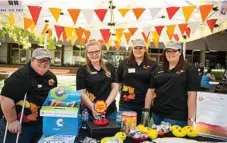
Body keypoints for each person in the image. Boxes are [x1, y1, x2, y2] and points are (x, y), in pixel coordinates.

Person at [0, 48, 57, 143]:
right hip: (20, 125)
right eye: (40, 60)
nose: (43, 63)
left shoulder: (51, 77)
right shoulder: (21, 76)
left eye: (46, 60)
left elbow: (52, 96)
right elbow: (5, 98)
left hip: (40, 123)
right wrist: (12, 121)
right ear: (32, 60)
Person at [144, 41, 200, 127]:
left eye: (174, 51)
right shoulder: (159, 69)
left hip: (176, 117)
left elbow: (192, 95)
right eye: (168, 51)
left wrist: (191, 119)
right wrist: (147, 111)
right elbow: (150, 91)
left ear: (180, 52)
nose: (171, 54)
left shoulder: (189, 69)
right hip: (157, 114)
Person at [117, 39, 158, 124]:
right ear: (132, 49)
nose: (138, 50)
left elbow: (155, 86)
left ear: (145, 49)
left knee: (142, 132)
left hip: (144, 105)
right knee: (126, 130)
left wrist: (148, 107)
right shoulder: (124, 63)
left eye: (140, 48)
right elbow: (118, 81)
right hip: (126, 104)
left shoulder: (153, 64)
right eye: (135, 48)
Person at [76, 39, 118, 120]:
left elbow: (115, 88)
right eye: (91, 52)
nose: (94, 54)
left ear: (101, 52)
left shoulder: (110, 67)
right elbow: (81, 93)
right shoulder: (82, 70)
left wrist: (105, 105)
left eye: (97, 51)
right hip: (91, 112)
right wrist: (93, 108)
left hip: (110, 110)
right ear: (87, 54)